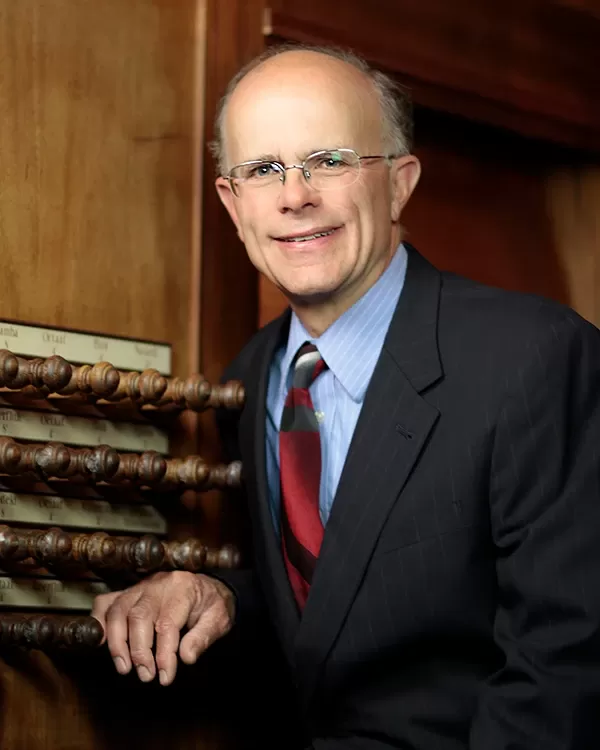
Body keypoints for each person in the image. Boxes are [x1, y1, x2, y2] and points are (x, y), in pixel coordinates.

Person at [92, 43, 600, 749]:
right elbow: (336, 609)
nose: (295, 195)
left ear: (399, 183)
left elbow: (567, 666)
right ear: (232, 205)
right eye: (263, 170)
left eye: (329, 160)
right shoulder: (252, 376)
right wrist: (225, 600)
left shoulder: (536, 356)